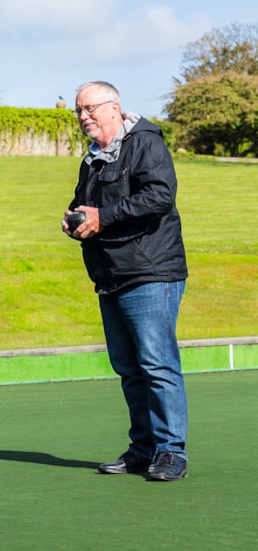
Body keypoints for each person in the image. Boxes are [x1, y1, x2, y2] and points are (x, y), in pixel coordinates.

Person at [63, 81, 189, 482]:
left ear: (114, 107)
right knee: (129, 368)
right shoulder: (93, 159)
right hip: (111, 274)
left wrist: (103, 216)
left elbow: (159, 196)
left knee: (156, 365)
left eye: (90, 108)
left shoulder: (145, 143)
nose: (84, 117)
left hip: (150, 271)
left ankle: (171, 452)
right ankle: (143, 449)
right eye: (78, 111)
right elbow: (85, 203)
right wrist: (74, 219)